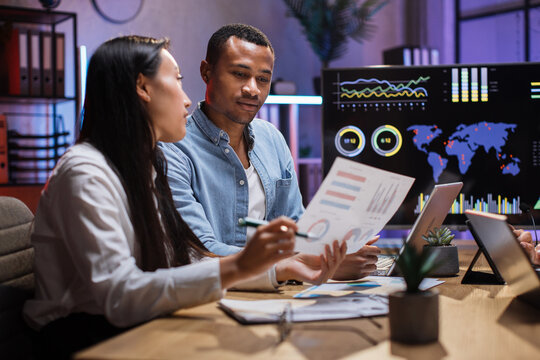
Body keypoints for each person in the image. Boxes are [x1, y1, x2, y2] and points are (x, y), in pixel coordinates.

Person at [23, 35, 346, 359]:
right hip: (83, 338)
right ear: (143, 88)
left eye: (263, 78)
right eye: (176, 81)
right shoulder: (86, 174)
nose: (188, 100)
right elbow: (119, 296)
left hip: (136, 326)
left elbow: (183, 259)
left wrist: (281, 269)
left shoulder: (143, 168)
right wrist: (239, 266)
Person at [160, 23, 380, 280]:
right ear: (206, 71)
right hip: (213, 297)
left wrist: (335, 253)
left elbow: (297, 230)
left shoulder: (271, 138)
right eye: (240, 74)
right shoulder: (173, 146)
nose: (252, 89)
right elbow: (200, 250)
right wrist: (308, 262)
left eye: (263, 79)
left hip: (283, 290)